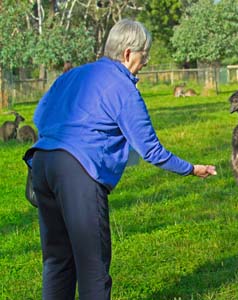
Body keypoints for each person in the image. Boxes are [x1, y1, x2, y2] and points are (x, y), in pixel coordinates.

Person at [23, 19, 216, 300]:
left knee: (57, 260)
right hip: (77, 172)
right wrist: (190, 169)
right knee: (93, 266)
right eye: (144, 54)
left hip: (42, 164)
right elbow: (151, 150)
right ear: (128, 54)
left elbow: (40, 116)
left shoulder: (72, 76)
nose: (146, 61)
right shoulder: (123, 87)